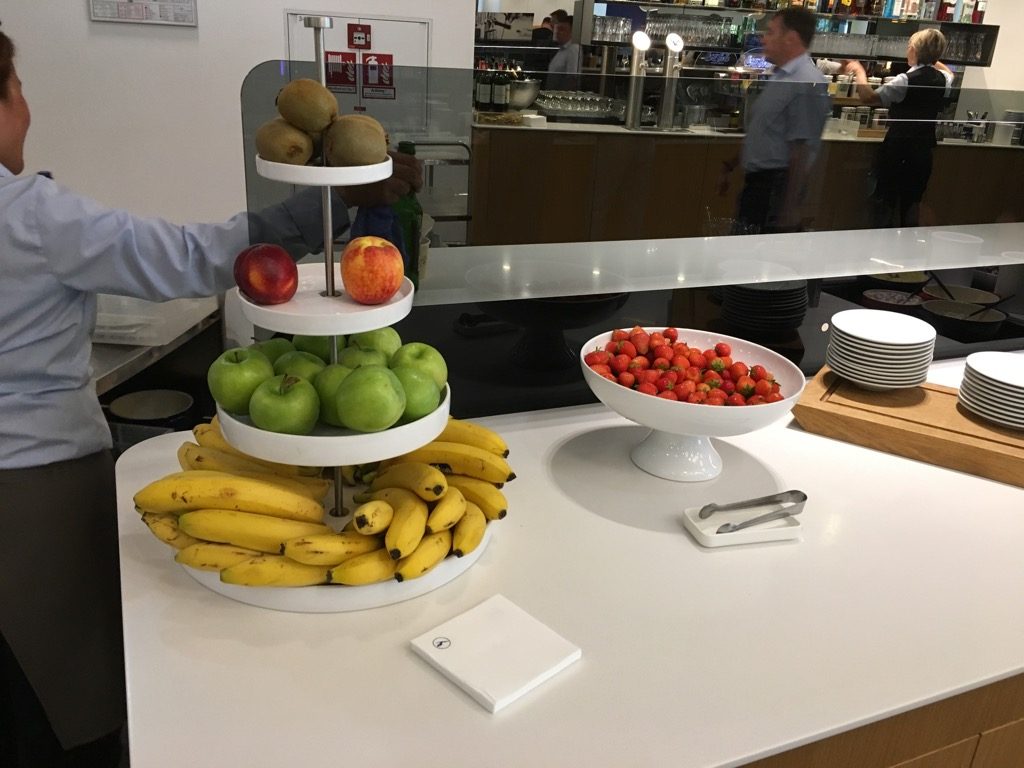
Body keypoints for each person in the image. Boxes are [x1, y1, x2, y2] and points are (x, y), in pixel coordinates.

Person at [0, 28, 419, 768]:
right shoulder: (29, 216)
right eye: (20, 90)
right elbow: (192, 258)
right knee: (63, 682)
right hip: (34, 479)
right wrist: (323, 205)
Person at [719, 8, 831, 234]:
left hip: (776, 190)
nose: (763, 39)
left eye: (770, 32)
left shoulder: (806, 81)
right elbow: (766, 130)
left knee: (757, 252)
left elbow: (801, 148)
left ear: (791, 38)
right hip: (758, 186)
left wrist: (788, 210)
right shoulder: (782, 76)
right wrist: (731, 164)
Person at [842, 29, 953, 228]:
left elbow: (868, 97)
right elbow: (948, 72)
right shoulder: (944, 79)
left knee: (886, 201)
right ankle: (907, 242)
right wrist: (931, 56)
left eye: (909, 46)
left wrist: (859, 72)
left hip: (897, 149)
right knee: (912, 204)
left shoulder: (905, 80)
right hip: (923, 151)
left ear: (914, 50)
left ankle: (881, 238)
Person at [546, 14, 581, 91]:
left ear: (572, 32)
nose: (558, 32)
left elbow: (572, 79)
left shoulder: (573, 49)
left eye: (562, 29)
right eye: (557, 29)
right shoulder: (562, 49)